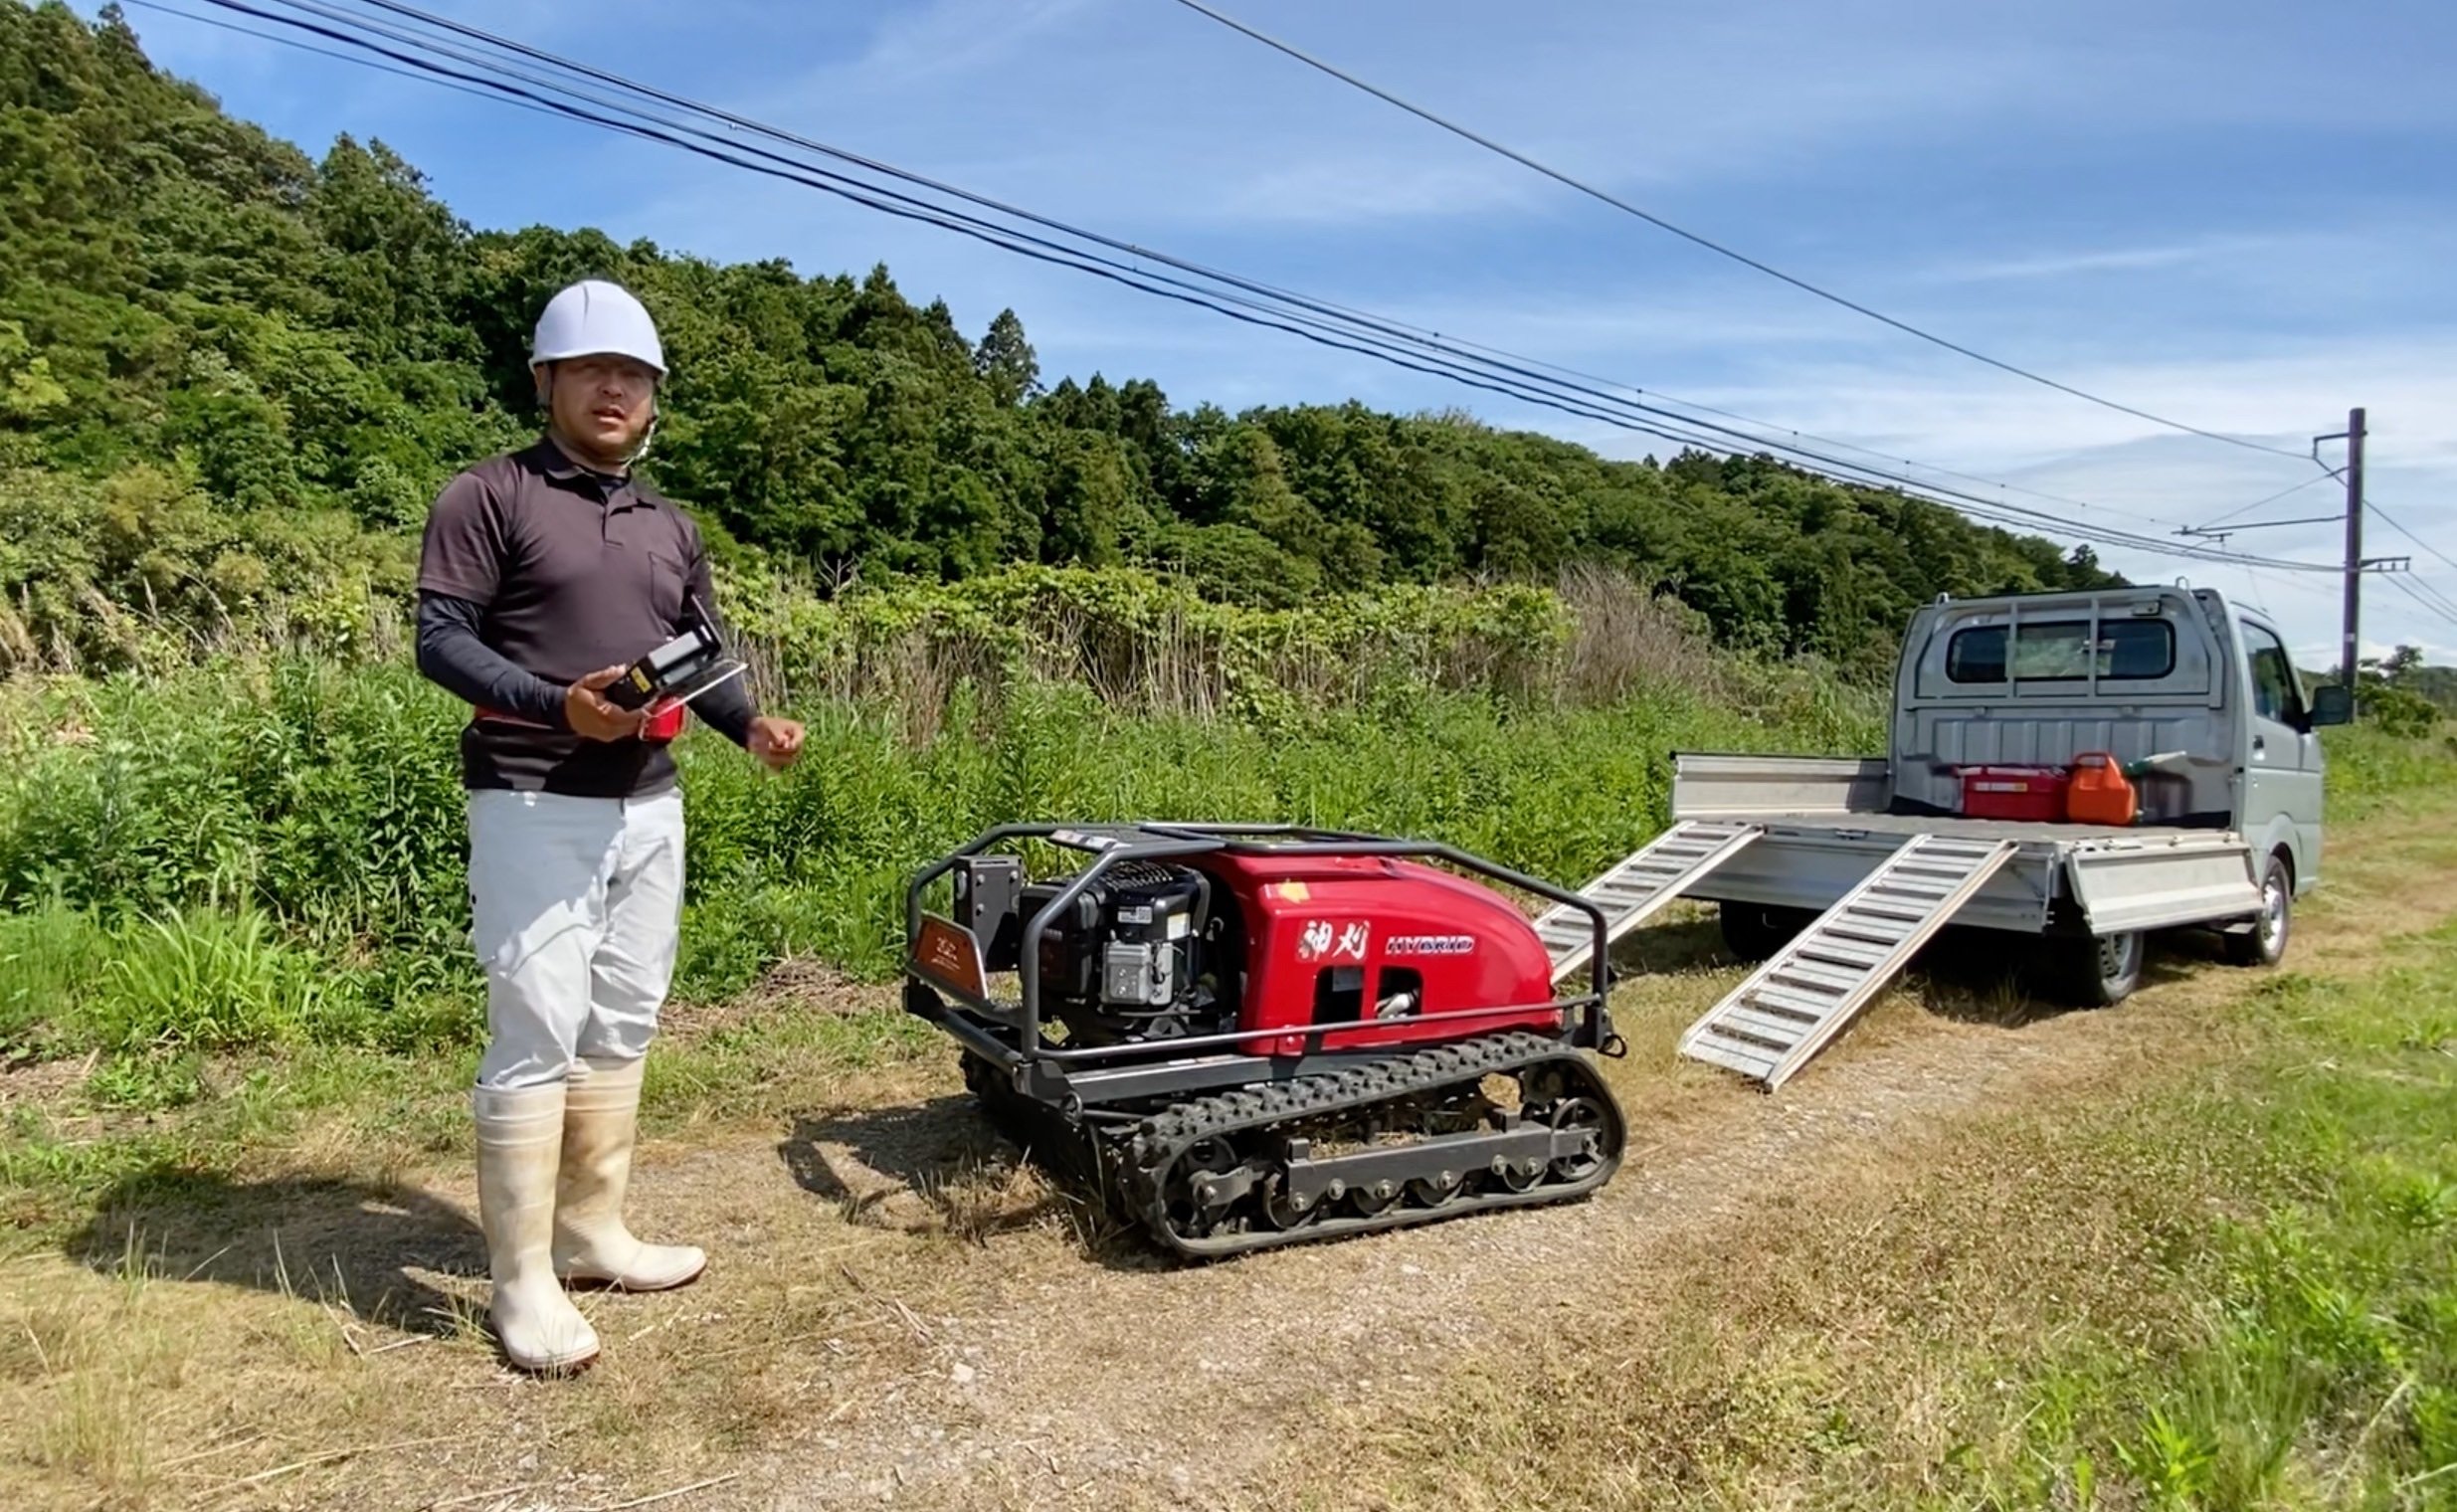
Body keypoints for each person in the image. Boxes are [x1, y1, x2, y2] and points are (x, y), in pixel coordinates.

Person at [412, 279, 805, 1376]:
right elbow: (440, 640)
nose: (614, 389)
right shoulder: (487, 496)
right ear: (545, 382)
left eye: (632, 375)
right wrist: (555, 702)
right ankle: (521, 1280)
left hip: (650, 799)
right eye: (592, 371)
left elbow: (704, 656)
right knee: (537, 1021)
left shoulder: (668, 524)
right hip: (533, 790)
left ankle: (590, 1233)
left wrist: (751, 725)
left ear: (654, 398)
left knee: (624, 1013)